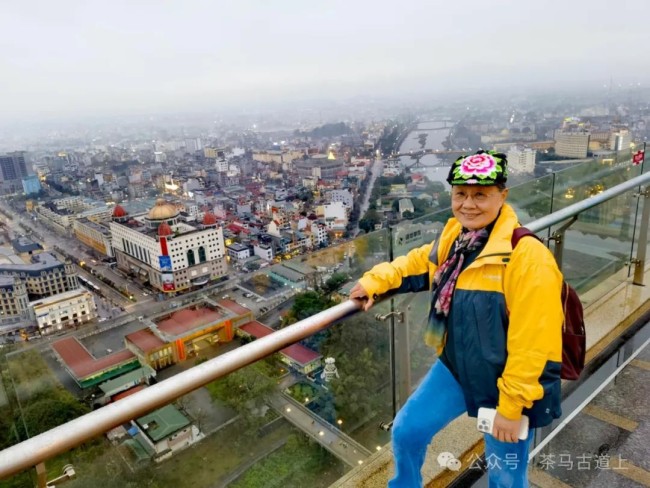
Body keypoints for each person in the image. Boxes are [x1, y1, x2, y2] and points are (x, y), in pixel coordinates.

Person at [349, 150, 563, 488]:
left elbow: (535, 341)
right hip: (457, 364)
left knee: (506, 473)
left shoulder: (527, 257)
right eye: (460, 194)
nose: (468, 204)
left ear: (502, 196)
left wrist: (510, 408)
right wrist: (376, 280)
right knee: (407, 430)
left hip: (505, 380)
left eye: (481, 195)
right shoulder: (456, 237)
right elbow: (418, 262)